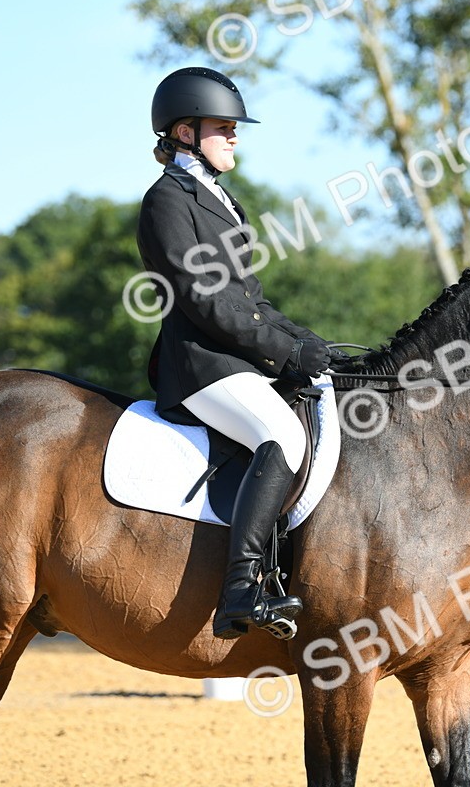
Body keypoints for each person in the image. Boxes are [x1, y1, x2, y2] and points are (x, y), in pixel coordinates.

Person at [138, 67, 342, 639]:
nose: (235, 137)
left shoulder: (224, 201)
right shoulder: (166, 202)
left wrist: (306, 343)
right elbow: (204, 299)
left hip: (236, 358)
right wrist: (283, 352)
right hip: (201, 364)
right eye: (223, 127)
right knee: (283, 437)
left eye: (235, 128)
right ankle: (241, 587)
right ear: (184, 132)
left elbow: (249, 299)